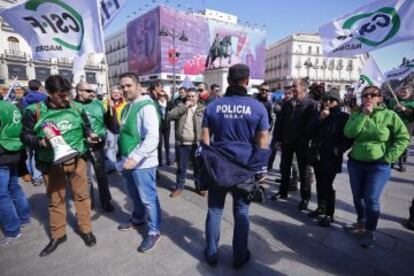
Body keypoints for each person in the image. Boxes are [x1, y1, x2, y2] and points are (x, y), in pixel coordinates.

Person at [21, 75, 97, 256]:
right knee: (56, 201)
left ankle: (86, 230)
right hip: (51, 163)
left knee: (82, 197)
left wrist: (90, 135)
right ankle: (58, 234)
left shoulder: (77, 107)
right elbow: (24, 136)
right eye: (60, 95)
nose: (65, 98)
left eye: (67, 94)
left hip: (78, 159)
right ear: (49, 93)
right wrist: (40, 141)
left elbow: (86, 127)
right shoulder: (34, 110)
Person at [202, 64, 269, 269]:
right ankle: (239, 256)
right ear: (247, 81)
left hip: (218, 169)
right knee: (241, 213)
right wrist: (260, 170)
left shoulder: (213, 106)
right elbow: (263, 142)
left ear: (228, 81)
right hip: (245, 169)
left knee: (214, 210)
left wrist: (208, 165)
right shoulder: (258, 107)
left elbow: (205, 140)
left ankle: (211, 253)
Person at [344, 85, 409, 248]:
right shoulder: (357, 114)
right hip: (356, 163)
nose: (369, 97)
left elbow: (403, 138)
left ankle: (370, 230)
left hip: (379, 165)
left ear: (380, 98)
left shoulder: (390, 115)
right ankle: (361, 222)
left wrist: (389, 157)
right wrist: (364, 116)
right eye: (365, 95)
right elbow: (349, 133)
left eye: (373, 95)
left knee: (371, 199)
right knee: (357, 197)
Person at [117, 72, 161, 253]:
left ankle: (154, 230)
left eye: (128, 86)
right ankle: (137, 218)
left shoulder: (146, 106)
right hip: (128, 160)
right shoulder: (128, 106)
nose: (125, 89)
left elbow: (152, 138)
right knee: (134, 195)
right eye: (122, 86)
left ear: (138, 86)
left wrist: (135, 158)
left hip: (143, 163)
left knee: (148, 198)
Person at [306, 89, 352, 226]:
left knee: (327, 184)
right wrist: (320, 117)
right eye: (325, 99)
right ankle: (321, 207)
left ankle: (329, 214)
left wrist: (338, 150)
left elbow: (349, 139)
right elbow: (308, 132)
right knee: (319, 183)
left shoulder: (343, 117)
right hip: (317, 155)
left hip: (331, 157)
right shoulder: (319, 114)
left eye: (331, 100)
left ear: (337, 102)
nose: (327, 102)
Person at [270, 78, 318, 210]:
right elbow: (279, 123)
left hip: (303, 144)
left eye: (295, 86)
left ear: (303, 88)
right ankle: (283, 191)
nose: (292, 89)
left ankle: (305, 198)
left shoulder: (312, 105)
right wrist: (278, 139)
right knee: (284, 168)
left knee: (305, 172)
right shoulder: (287, 104)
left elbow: (315, 126)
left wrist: (310, 141)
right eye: (292, 86)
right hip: (287, 141)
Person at [73, 82, 114, 212]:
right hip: (81, 146)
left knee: (101, 174)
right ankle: (89, 201)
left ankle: (106, 201)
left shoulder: (98, 104)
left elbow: (108, 122)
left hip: (98, 145)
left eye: (92, 91)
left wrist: (110, 114)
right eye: (88, 91)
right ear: (79, 91)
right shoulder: (72, 106)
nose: (92, 93)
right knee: (86, 177)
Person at [0, 97, 30, 247]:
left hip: (2, 153)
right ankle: (24, 218)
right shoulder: (11, 107)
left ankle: (12, 230)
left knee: (2, 195)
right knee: (13, 187)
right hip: (14, 151)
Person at [168, 87, 206, 197]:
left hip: (197, 144)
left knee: (198, 168)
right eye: (188, 96)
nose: (190, 98)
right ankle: (179, 187)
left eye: (192, 96)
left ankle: (199, 187)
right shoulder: (181, 107)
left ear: (197, 97)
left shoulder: (202, 109)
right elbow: (171, 115)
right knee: (181, 168)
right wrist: (184, 107)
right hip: (183, 144)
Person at [22, 79, 47, 186]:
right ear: (40, 87)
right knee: (37, 154)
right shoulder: (44, 98)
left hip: (27, 128)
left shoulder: (24, 99)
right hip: (39, 128)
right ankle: (37, 177)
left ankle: (29, 174)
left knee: (29, 153)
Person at [387, 86, 414, 172]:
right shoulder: (393, 100)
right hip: (393, 126)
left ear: (410, 93)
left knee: (404, 146)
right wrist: (391, 109)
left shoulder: (412, 102)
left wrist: (405, 109)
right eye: (401, 92)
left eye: (404, 92)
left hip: (407, 127)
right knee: (392, 143)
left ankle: (403, 163)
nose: (402, 94)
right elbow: (387, 109)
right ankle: (391, 161)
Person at [105, 86, 127, 173]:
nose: (116, 94)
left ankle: (124, 164)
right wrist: (109, 107)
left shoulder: (125, 104)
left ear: (121, 93)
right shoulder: (105, 103)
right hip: (110, 129)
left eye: (118, 92)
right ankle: (111, 166)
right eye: (114, 92)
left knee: (123, 148)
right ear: (111, 94)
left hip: (122, 129)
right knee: (111, 147)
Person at [156, 91, 173, 166]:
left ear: (166, 96)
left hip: (167, 126)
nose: (162, 97)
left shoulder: (169, 104)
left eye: (163, 95)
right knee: (159, 144)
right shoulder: (156, 104)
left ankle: (167, 159)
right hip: (159, 126)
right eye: (160, 95)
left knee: (167, 143)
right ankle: (159, 160)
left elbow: (173, 111)